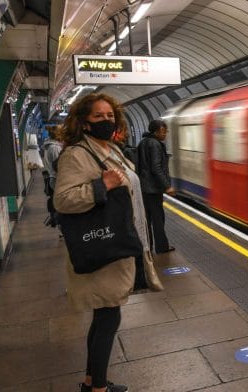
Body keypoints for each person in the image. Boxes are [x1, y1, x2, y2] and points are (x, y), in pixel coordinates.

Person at [53, 93, 163, 392]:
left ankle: (92, 381)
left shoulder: (108, 147)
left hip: (116, 243)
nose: (106, 120)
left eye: (110, 115)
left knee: (104, 316)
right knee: (108, 317)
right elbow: (63, 200)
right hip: (102, 247)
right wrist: (103, 185)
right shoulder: (77, 153)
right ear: (84, 122)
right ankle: (98, 388)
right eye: (98, 116)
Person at [137, 119, 175, 254]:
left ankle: (148, 246)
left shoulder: (143, 142)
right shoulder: (155, 144)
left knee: (146, 219)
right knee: (158, 218)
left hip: (143, 187)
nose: (165, 134)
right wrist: (167, 186)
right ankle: (162, 247)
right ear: (156, 131)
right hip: (153, 189)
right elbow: (156, 167)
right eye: (163, 131)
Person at [42, 125, 63, 228]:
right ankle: (61, 225)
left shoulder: (53, 146)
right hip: (57, 180)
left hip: (55, 179)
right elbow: (59, 167)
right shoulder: (54, 148)